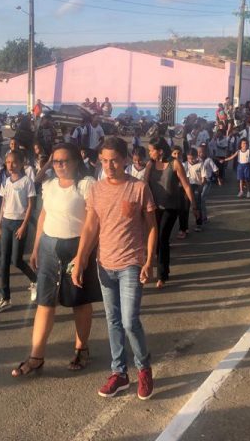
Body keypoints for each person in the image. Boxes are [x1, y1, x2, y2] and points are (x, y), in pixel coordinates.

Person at [71, 136, 158, 400]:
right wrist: (80, 259)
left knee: (130, 322)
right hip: (104, 264)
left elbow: (152, 226)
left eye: (115, 161)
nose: (109, 166)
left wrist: (149, 261)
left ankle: (143, 369)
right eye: (105, 161)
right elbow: (90, 227)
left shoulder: (139, 188)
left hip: (131, 263)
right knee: (113, 321)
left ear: (126, 159)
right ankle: (119, 373)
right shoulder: (96, 189)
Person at [12, 144, 101, 376]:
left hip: (77, 247)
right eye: (55, 161)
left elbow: (92, 222)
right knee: (45, 301)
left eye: (64, 161)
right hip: (49, 247)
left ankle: (81, 349)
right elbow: (44, 215)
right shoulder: (49, 185)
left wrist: (82, 255)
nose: (59, 165)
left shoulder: (86, 184)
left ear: (76, 162)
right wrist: (35, 248)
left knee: (79, 301)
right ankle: (36, 356)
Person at [146, 137, 198, 288]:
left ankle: (161, 275)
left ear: (160, 151)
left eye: (151, 150)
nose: (150, 153)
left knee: (162, 237)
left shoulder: (174, 164)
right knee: (154, 239)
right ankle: (161, 268)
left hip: (171, 207)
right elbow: (143, 184)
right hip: (154, 208)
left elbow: (186, 185)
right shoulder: (150, 164)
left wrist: (194, 206)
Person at [0, 150, 38, 313]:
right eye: (8, 162)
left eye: (14, 162)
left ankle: (35, 280)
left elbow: (31, 205)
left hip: (19, 223)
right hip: (6, 223)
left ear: (21, 163)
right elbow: (3, 203)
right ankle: (5, 298)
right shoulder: (5, 181)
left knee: (16, 260)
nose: (10, 166)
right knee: (3, 262)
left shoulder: (27, 182)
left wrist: (24, 225)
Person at [191, 145, 219, 231]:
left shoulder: (209, 160)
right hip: (199, 182)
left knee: (202, 198)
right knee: (199, 200)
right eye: (198, 152)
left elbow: (216, 170)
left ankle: (204, 217)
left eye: (201, 152)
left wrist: (218, 178)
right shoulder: (196, 160)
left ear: (206, 152)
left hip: (207, 181)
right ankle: (203, 217)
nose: (200, 154)